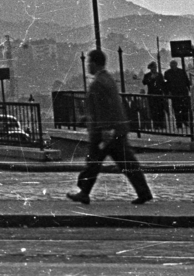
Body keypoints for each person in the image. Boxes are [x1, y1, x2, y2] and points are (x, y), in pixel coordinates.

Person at [65, 50, 152, 207]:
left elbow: (103, 109)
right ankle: (143, 192)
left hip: (104, 131)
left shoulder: (99, 82)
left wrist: (104, 129)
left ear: (95, 63)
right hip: (115, 129)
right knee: (125, 162)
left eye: (89, 62)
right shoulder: (107, 79)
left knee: (94, 162)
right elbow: (105, 106)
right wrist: (88, 118)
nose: (87, 66)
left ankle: (84, 192)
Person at [163, 60, 191, 129]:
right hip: (176, 93)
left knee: (183, 108)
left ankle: (183, 122)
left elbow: (187, 81)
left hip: (181, 92)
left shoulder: (171, 72)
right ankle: (180, 123)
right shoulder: (177, 72)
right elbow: (166, 85)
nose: (173, 66)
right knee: (177, 108)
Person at [141, 62, 166, 131]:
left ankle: (161, 124)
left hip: (159, 94)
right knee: (154, 110)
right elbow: (144, 82)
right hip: (152, 95)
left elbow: (163, 84)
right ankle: (156, 125)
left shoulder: (159, 75)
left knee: (160, 110)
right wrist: (151, 79)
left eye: (155, 67)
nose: (155, 68)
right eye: (153, 67)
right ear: (151, 68)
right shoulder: (147, 75)